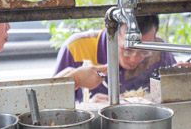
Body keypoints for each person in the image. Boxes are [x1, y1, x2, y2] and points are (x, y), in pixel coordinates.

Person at [53, 15, 181, 101]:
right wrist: (76, 79)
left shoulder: (159, 51)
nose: (134, 59)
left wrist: (185, 77)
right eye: (127, 50)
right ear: (112, 34)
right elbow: (47, 100)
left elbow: (172, 96)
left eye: (144, 51)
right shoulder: (77, 48)